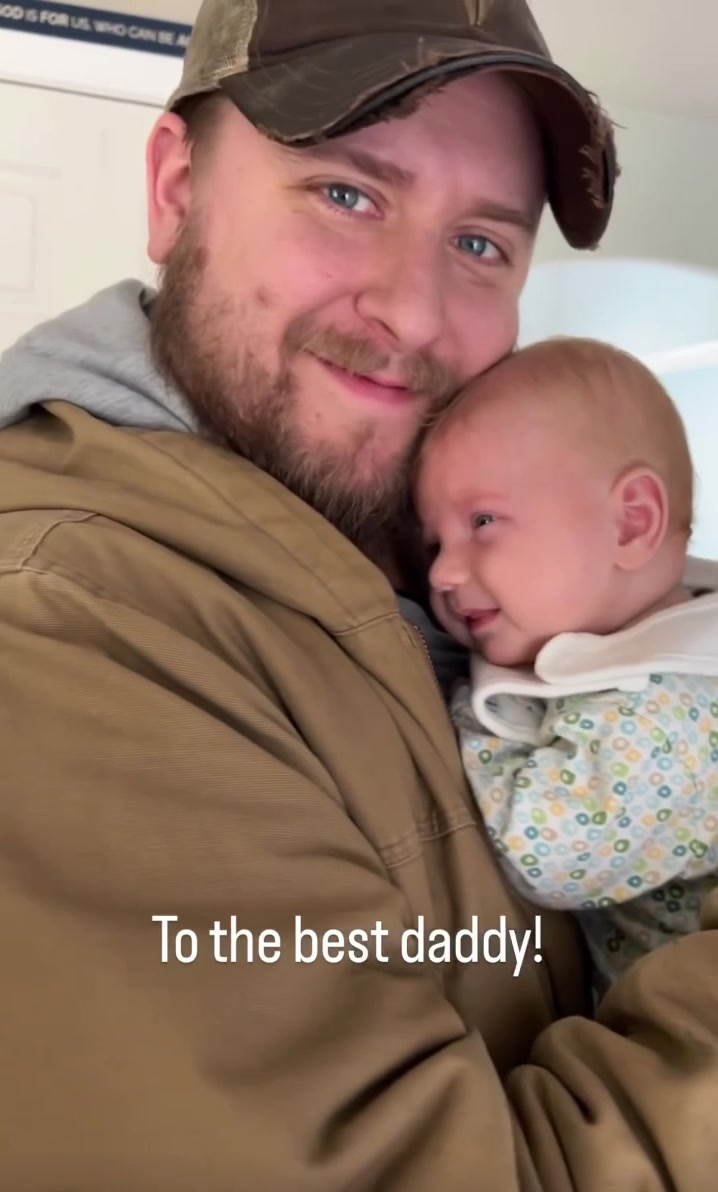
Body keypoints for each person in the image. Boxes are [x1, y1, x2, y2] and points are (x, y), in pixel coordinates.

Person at [0, 0, 715, 1186]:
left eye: (480, 244)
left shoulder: (413, 550)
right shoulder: (62, 625)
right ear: (176, 189)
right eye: (347, 194)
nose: (414, 312)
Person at [416, 336, 718, 996]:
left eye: (484, 520)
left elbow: (546, 856)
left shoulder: (673, 708)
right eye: (435, 542)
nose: (441, 572)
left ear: (630, 523)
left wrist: (474, 713)